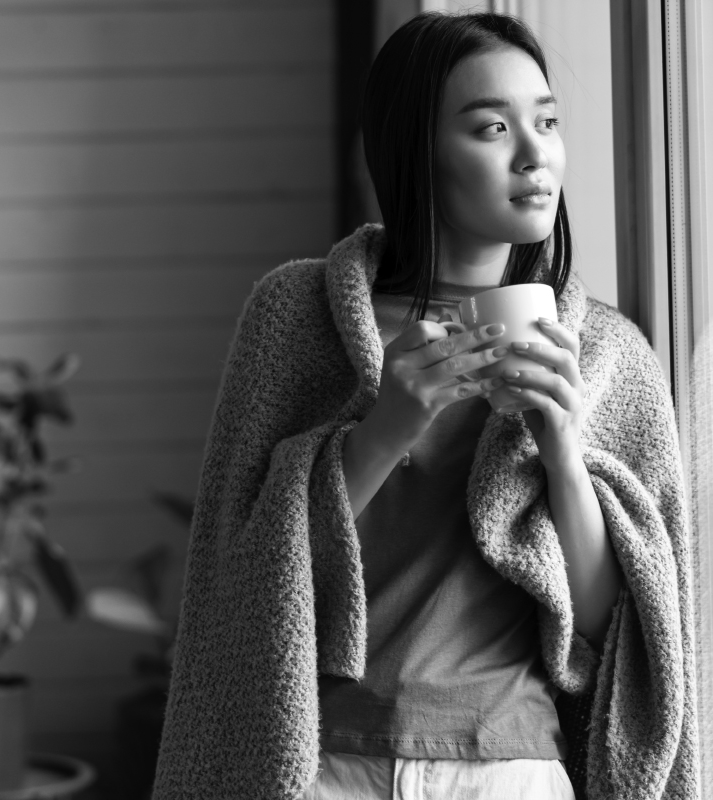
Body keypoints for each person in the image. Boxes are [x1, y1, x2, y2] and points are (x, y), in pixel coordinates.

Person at [152, 11, 698, 800]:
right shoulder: (297, 318)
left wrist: (563, 453)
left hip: (510, 769)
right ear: (416, 153)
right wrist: (381, 435)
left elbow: (619, 631)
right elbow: (241, 584)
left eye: (546, 121)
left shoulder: (608, 354)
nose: (534, 152)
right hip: (321, 765)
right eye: (491, 128)